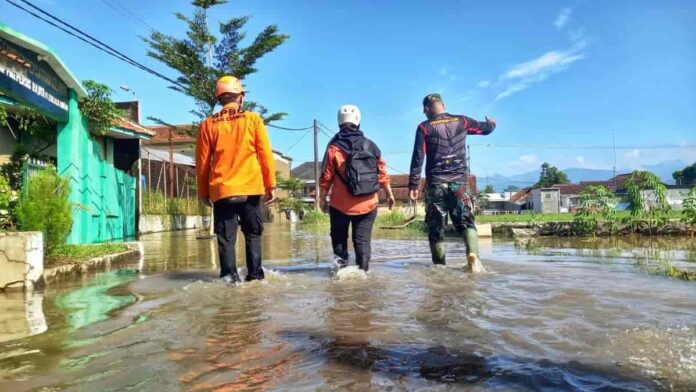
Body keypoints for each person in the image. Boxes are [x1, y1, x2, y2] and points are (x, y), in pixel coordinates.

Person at [196, 76, 276, 283]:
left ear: (220, 99)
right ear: (240, 97)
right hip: (250, 189)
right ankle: (256, 276)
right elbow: (265, 155)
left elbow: (203, 163)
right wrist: (271, 185)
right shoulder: (253, 119)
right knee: (253, 234)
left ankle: (229, 279)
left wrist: (204, 192)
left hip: (222, 192)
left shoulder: (208, 124)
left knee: (226, 239)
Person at [408, 93, 496, 271]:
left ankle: (440, 268)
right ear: (443, 105)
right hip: (459, 184)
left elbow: (418, 157)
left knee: (436, 228)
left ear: (426, 110)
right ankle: (473, 258)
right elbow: (485, 129)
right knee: (466, 223)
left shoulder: (424, 127)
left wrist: (413, 185)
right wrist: (492, 123)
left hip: (435, 184)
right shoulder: (462, 121)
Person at [319, 105, 396, 272]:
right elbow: (382, 173)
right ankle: (363, 276)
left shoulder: (333, 147)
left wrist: (322, 199)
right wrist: (390, 195)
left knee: (339, 240)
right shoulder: (371, 146)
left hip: (340, 205)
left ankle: (341, 274)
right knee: (362, 241)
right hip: (368, 204)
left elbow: (326, 177)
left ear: (339, 122)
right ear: (358, 121)